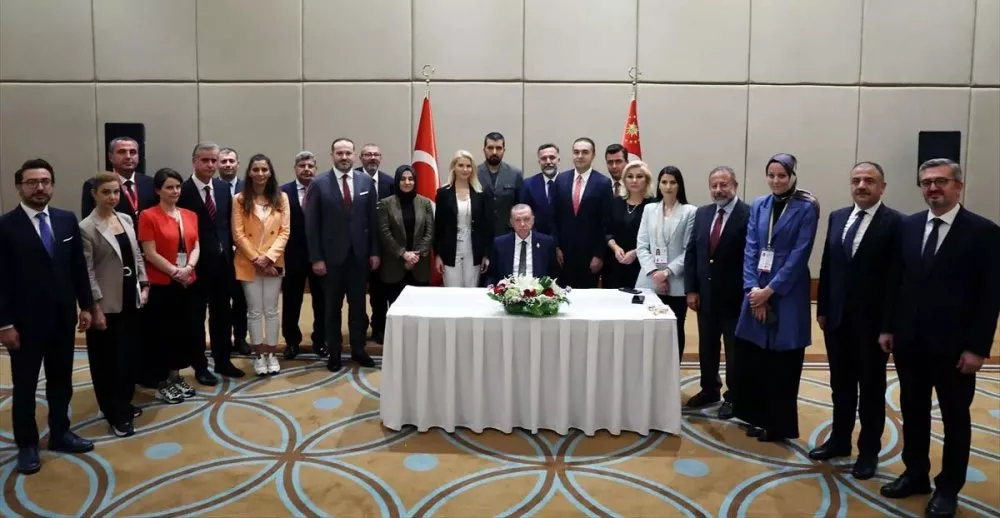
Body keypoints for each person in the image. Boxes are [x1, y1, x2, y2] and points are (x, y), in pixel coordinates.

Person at [879, 158, 1000, 517]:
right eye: (926, 182)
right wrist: (888, 327)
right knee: (913, 412)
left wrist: (977, 348)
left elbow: (989, 296)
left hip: (955, 349)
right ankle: (915, 474)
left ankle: (948, 488)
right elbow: (895, 281)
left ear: (958, 186)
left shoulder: (984, 231)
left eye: (941, 181)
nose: (933, 188)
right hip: (910, 343)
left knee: (955, 420)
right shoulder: (908, 225)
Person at [0, 158, 95, 475]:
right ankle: (27, 444)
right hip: (23, 324)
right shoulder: (5, 226)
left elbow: (78, 268)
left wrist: (86, 306)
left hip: (62, 319)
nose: (39, 188)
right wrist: (4, 324)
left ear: (52, 185)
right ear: (19, 186)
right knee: (25, 386)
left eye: (45, 182)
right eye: (32, 182)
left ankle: (60, 433)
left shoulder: (66, 220)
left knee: (61, 381)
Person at [811, 162, 901, 479]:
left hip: (873, 327)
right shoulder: (837, 217)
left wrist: (889, 326)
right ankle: (839, 441)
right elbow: (828, 265)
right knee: (841, 386)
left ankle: (868, 452)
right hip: (837, 322)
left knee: (872, 392)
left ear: (882, 187)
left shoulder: (896, 223)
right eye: (856, 180)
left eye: (869, 181)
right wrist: (822, 309)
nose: (861, 185)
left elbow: (896, 280)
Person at [732, 153, 819, 443]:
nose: (776, 180)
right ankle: (756, 416)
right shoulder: (759, 204)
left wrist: (769, 292)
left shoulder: (807, 206)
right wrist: (752, 290)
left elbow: (799, 254)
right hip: (756, 287)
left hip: (787, 291)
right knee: (755, 357)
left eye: (782, 175)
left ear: (793, 176)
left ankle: (778, 424)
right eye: (771, 175)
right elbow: (751, 248)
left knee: (781, 362)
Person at [80, 172, 149, 438]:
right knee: (108, 360)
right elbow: (87, 272)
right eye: (106, 192)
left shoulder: (125, 219)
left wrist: (144, 284)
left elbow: (137, 255)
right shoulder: (87, 227)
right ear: (94, 194)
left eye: (116, 192)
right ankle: (114, 412)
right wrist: (94, 306)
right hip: (106, 303)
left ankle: (124, 402)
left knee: (128, 354)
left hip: (129, 297)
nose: (112, 197)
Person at [304, 138, 380, 372]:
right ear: (332, 156)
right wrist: (316, 258)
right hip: (331, 260)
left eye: (348, 153)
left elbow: (372, 221)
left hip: (359, 258)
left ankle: (358, 349)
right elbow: (311, 225)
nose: (344, 157)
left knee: (358, 307)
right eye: (340, 153)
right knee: (332, 309)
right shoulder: (318, 184)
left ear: (354, 155)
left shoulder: (365, 181)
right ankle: (334, 353)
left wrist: (374, 252)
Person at [683, 166, 749, 419]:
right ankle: (709, 389)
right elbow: (692, 252)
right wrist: (691, 289)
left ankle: (734, 397)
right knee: (707, 346)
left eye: (724, 185)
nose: (719, 190)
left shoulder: (748, 214)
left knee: (734, 351)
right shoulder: (702, 213)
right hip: (705, 296)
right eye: (714, 185)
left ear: (735, 186)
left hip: (735, 298)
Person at [177, 141, 245, 382]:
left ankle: (223, 360)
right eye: (204, 160)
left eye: (213, 160)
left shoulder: (224, 188)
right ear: (194, 161)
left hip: (223, 264)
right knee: (195, 319)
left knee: (222, 315)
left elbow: (227, 225)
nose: (210, 164)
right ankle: (200, 366)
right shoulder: (182, 191)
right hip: (195, 266)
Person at [138, 168, 202, 404]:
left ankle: (175, 377)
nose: (175, 191)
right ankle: (161, 381)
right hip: (162, 284)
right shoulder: (148, 216)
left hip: (186, 283)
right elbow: (150, 253)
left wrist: (189, 268)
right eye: (169, 187)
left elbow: (196, 246)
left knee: (182, 333)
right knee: (162, 335)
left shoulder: (189, 214)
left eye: (177, 187)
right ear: (158, 190)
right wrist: (175, 271)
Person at [232, 154, 291, 376]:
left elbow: (285, 231)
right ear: (249, 172)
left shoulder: (281, 198)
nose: (260, 174)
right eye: (255, 169)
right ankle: (258, 356)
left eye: (264, 169)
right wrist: (257, 258)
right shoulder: (239, 199)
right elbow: (238, 234)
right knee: (255, 311)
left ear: (270, 172)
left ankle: (271, 354)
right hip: (249, 263)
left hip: (274, 263)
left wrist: (269, 258)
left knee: (272, 311)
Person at [635, 165, 696, 357]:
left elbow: (688, 250)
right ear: (658, 184)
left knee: (675, 330)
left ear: (679, 185)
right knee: (647, 331)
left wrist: (667, 272)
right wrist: (655, 273)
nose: (668, 187)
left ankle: (672, 370)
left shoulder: (689, 211)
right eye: (664, 182)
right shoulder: (649, 209)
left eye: (672, 182)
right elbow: (642, 246)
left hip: (676, 282)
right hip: (649, 281)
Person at [280, 151, 326, 359]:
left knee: (321, 301)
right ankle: (291, 342)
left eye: (310, 166)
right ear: (295, 169)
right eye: (302, 166)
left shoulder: (324, 189)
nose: (306, 169)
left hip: (320, 256)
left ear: (315, 169)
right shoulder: (282, 192)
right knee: (291, 301)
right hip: (292, 256)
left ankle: (320, 340)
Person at [551, 137, 612, 289]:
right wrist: (556, 247)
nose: (580, 156)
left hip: (590, 256)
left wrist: (599, 255)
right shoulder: (560, 180)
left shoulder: (603, 183)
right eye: (576, 152)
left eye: (585, 152)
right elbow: (554, 216)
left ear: (593, 155)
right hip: (563, 255)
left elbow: (605, 223)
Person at [434, 150, 492, 287]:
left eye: (468, 166)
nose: (465, 169)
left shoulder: (480, 193)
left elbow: (487, 226)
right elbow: (438, 227)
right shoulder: (443, 193)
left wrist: (486, 254)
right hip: (450, 251)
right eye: (461, 165)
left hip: (473, 251)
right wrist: (437, 255)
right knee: (453, 292)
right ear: (453, 167)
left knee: (471, 291)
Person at [377, 165, 435, 303]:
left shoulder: (425, 203)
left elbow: (430, 232)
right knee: (396, 306)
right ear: (397, 181)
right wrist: (404, 254)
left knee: (420, 306)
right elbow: (384, 233)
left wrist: (415, 256)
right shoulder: (385, 204)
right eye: (403, 179)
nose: (407, 182)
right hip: (394, 265)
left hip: (419, 265)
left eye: (410, 179)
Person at [80, 136, 157, 223]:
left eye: (133, 152)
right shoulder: (94, 184)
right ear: (110, 157)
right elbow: (89, 223)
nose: (128, 156)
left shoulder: (150, 183)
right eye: (122, 152)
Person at [604, 160, 652, 289]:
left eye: (639, 176)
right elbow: (607, 231)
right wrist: (615, 247)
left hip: (642, 266)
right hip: (615, 264)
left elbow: (656, 238)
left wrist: (636, 252)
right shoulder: (616, 202)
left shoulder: (653, 205)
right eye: (630, 176)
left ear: (647, 180)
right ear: (624, 180)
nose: (634, 180)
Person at [488, 204, 557, 283]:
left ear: (533, 220)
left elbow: (553, 275)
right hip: (508, 289)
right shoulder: (500, 243)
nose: (522, 224)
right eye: (517, 220)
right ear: (511, 222)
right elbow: (492, 275)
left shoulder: (546, 243)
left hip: (538, 289)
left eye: (526, 219)